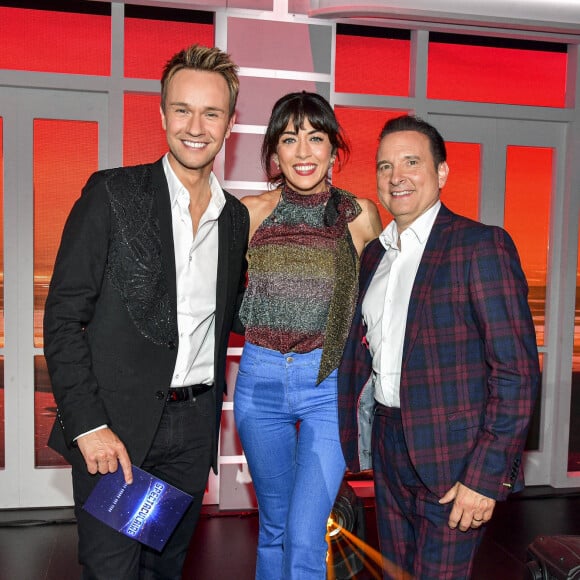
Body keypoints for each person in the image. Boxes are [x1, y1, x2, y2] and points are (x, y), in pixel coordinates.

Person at [43, 44, 249, 579]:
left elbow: (229, 314)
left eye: (212, 112)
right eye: (182, 109)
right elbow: (64, 317)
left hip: (191, 431)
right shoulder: (113, 193)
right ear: (162, 115)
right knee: (114, 570)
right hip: (119, 433)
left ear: (231, 121)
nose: (195, 126)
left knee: (162, 568)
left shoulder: (235, 220)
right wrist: (87, 426)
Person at [338, 114, 540, 579]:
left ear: (442, 172)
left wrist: (485, 477)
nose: (397, 177)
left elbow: (516, 372)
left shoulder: (480, 246)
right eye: (385, 166)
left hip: (456, 457)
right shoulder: (375, 256)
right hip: (389, 444)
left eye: (411, 162)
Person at [234, 91, 382, 580]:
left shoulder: (357, 215)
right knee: (273, 527)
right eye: (289, 138)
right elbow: (218, 298)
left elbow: (379, 305)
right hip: (260, 378)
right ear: (274, 152)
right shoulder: (250, 213)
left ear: (333, 149)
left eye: (315, 138)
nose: (303, 152)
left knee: (304, 533)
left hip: (326, 386)